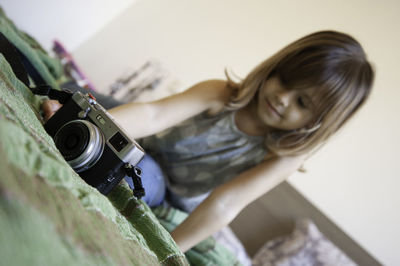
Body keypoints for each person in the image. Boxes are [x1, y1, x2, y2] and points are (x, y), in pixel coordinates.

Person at [42, 30, 374, 252]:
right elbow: (154, 115)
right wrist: (89, 119)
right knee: (75, 95)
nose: (283, 98)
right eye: (285, 80)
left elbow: (224, 205)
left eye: (303, 103)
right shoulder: (221, 93)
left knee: (134, 164)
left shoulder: (281, 158)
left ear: (316, 122)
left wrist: (165, 252)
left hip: (166, 183)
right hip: (148, 138)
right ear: (276, 67)